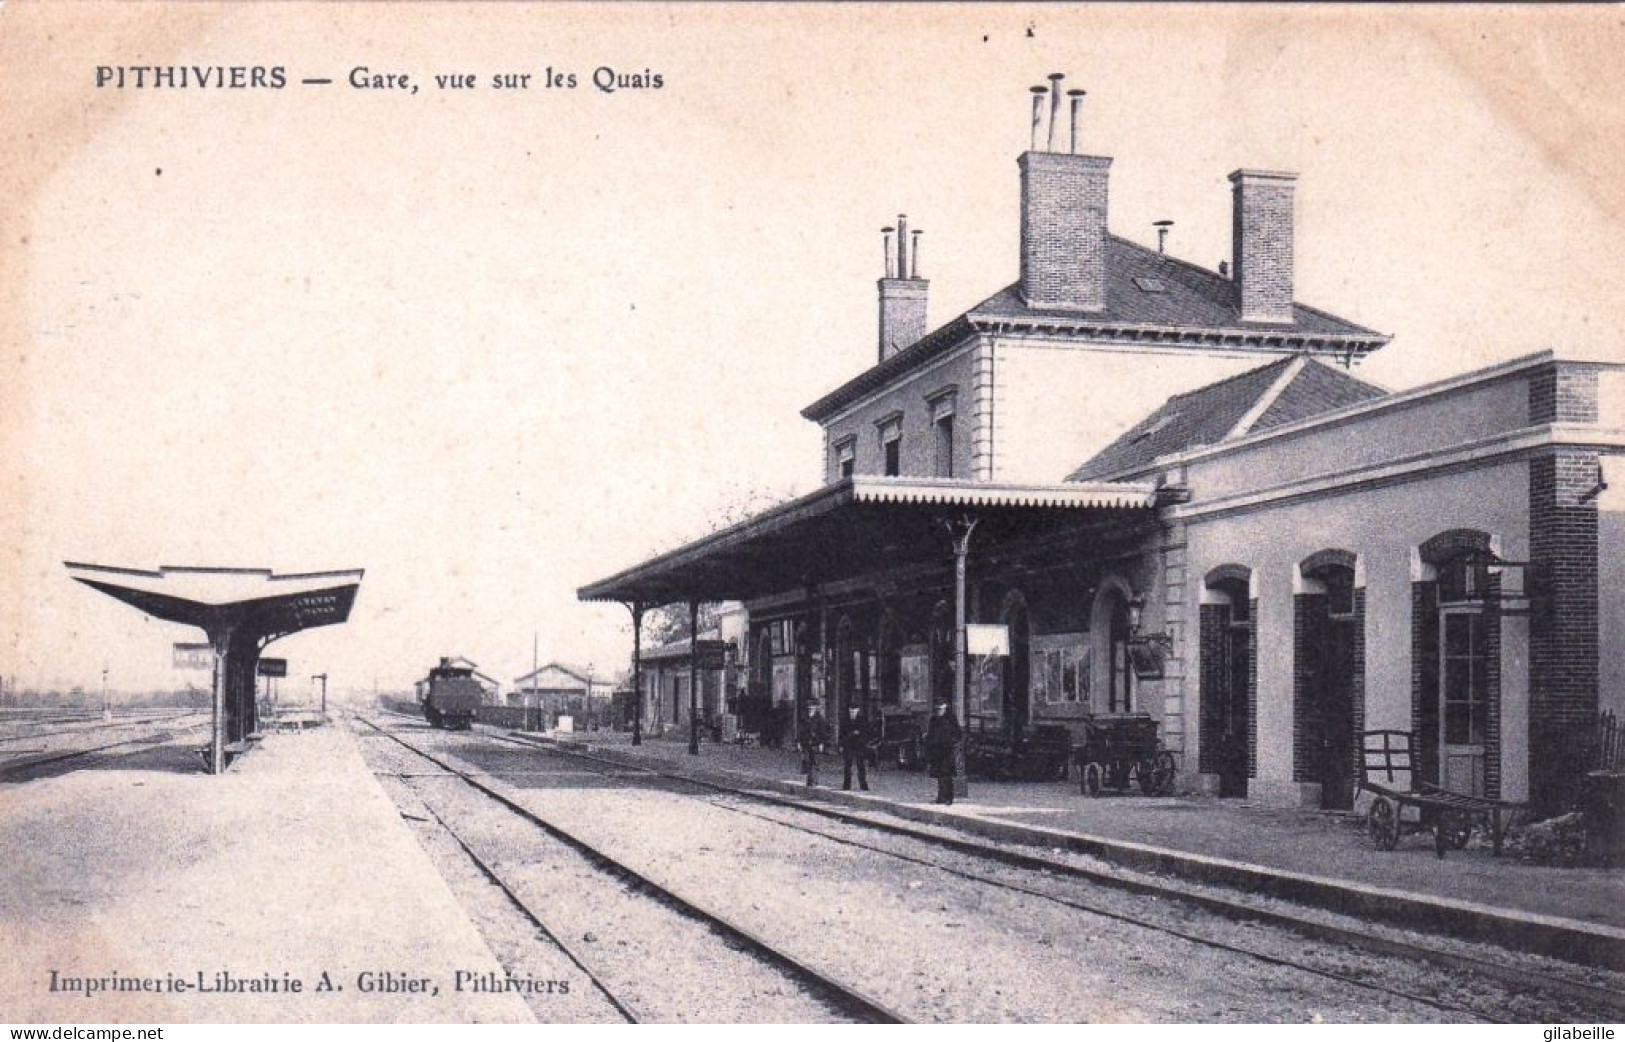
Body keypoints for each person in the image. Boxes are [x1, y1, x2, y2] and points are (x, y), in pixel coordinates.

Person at [924, 699, 962, 805]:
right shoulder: (934, 720)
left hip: (947, 750)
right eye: (937, 709)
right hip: (937, 751)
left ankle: (949, 798)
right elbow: (930, 734)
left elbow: (958, 734)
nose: (939, 711)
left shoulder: (951, 719)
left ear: (945, 708)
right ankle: (940, 797)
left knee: (947, 775)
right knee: (939, 775)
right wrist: (929, 747)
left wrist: (952, 742)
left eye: (941, 709)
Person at [839, 704, 871, 791]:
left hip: (859, 745)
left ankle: (863, 785)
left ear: (857, 711)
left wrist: (860, 736)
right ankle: (846, 785)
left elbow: (866, 733)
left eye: (854, 711)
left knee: (861, 765)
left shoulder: (862, 720)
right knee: (847, 765)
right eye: (851, 712)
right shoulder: (845, 721)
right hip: (848, 745)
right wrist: (841, 745)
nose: (852, 713)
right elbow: (841, 734)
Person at [800, 703, 831, 787]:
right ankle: (809, 781)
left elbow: (825, 732)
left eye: (813, 707)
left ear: (816, 708)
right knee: (807, 761)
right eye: (809, 707)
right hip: (806, 743)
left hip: (815, 743)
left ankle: (814, 782)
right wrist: (799, 742)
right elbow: (801, 731)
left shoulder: (820, 719)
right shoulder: (805, 718)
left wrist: (821, 742)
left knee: (815, 762)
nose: (811, 708)